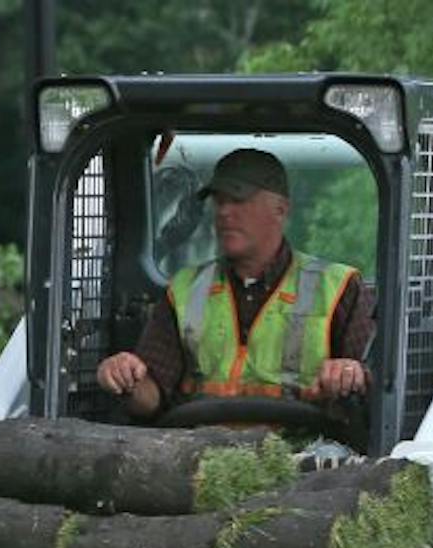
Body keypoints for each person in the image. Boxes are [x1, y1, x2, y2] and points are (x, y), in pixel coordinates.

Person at [96, 149, 374, 422]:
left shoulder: (339, 288)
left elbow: (369, 387)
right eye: (219, 201)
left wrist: (351, 373)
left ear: (280, 210)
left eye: (239, 200)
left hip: (304, 458)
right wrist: (127, 378)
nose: (224, 212)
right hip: (197, 456)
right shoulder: (184, 290)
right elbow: (151, 398)